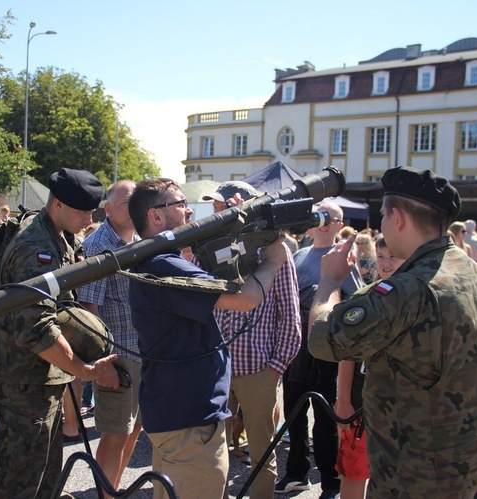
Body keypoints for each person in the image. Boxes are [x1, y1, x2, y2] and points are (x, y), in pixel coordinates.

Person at [308, 166, 477, 497]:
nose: (381, 224)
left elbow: (323, 339)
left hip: (417, 478)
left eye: (383, 215)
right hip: (472, 466)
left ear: (397, 218)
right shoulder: (474, 272)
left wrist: (329, 282)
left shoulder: (407, 290)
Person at [128, 178, 287, 499]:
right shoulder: (165, 265)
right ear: (156, 217)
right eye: (179, 203)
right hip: (190, 421)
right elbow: (244, 298)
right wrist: (273, 260)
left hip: (180, 415)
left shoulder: (159, 261)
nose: (188, 210)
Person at [0, 168, 119, 498]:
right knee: (17, 482)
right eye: (84, 210)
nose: (90, 218)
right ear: (58, 204)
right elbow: (37, 329)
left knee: (43, 477)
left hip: (39, 379)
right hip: (24, 383)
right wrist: (83, 371)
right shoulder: (37, 248)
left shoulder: (57, 236)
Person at [205, 181, 302, 498]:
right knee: (209, 449)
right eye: (217, 206)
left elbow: (290, 314)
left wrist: (275, 367)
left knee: (262, 453)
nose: (217, 211)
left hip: (258, 368)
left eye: (222, 205)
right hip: (217, 365)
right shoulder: (213, 244)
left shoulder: (275, 248)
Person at [277, 201, 358, 498]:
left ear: (340, 224)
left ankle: (330, 481)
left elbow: (353, 302)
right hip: (296, 346)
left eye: (331, 218)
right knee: (294, 413)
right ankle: (296, 473)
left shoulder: (345, 257)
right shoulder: (298, 255)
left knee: (325, 418)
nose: (324, 223)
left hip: (326, 350)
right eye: (320, 217)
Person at [78, 179, 142, 496]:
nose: (134, 208)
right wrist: (105, 363)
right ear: (108, 208)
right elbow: (89, 309)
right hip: (120, 353)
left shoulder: (141, 238)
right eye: (127, 202)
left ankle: (113, 490)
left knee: (135, 428)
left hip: (143, 351)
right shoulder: (97, 246)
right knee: (116, 432)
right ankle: (106, 494)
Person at [334, 235, 406, 499]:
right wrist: (343, 401)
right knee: (354, 471)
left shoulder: (419, 297)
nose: (386, 263)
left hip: (402, 410)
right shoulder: (364, 296)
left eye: (394, 256)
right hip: (360, 404)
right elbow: (348, 353)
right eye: (382, 256)